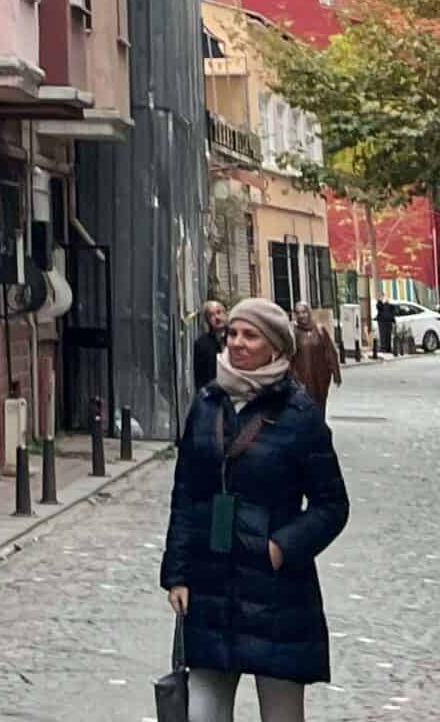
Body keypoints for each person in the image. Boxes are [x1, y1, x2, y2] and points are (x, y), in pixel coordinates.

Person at [161, 295, 349, 721]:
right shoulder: (207, 403)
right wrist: (177, 573)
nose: (238, 342)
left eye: (251, 335)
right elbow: (187, 493)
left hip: (277, 593)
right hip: (211, 584)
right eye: (233, 333)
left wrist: (280, 547)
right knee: (203, 714)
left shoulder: (300, 416)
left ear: (277, 348)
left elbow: (332, 505)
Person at [291, 304, 341, 413]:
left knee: (319, 405)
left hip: (320, 378)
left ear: (309, 313)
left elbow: (330, 352)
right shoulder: (293, 332)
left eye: (303, 312)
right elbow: (288, 356)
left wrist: (336, 373)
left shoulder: (319, 330)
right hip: (301, 378)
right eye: (298, 313)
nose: (301, 315)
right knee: (304, 406)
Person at [192, 297, 228, 392]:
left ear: (225, 314)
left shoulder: (236, 338)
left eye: (219, 312)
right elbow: (199, 377)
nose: (217, 317)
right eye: (211, 315)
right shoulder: (201, 344)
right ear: (207, 320)